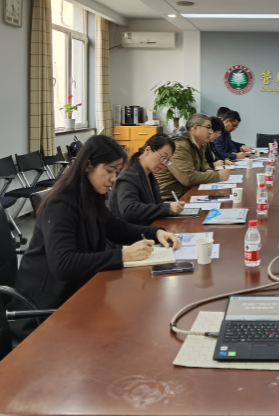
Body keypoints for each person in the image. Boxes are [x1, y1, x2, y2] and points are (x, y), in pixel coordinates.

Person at [15, 135, 182, 314]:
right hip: (47, 302)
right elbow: (63, 264)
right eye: (109, 170)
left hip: (79, 288)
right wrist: (123, 255)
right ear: (88, 165)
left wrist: (156, 233)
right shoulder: (60, 203)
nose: (114, 178)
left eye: (116, 172)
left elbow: (116, 228)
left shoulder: (91, 195)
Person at [110, 133, 188, 225]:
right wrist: (166, 208)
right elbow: (129, 210)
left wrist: (166, 204)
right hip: (132, 232)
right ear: (147, 150)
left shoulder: (149, 175)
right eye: (163, 157)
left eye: (167, 160)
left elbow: (148, 203)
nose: (164, 164)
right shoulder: (128, 177)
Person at [156, 113, 230, 201]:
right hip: (172, 198)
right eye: (208, 128)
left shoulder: (200, 143)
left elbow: (204, 163)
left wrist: (207, 170)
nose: (210, 132)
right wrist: (219, 176)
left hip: (188, 191)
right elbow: (188, 178)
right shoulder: (179, 145)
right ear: (195, 128)